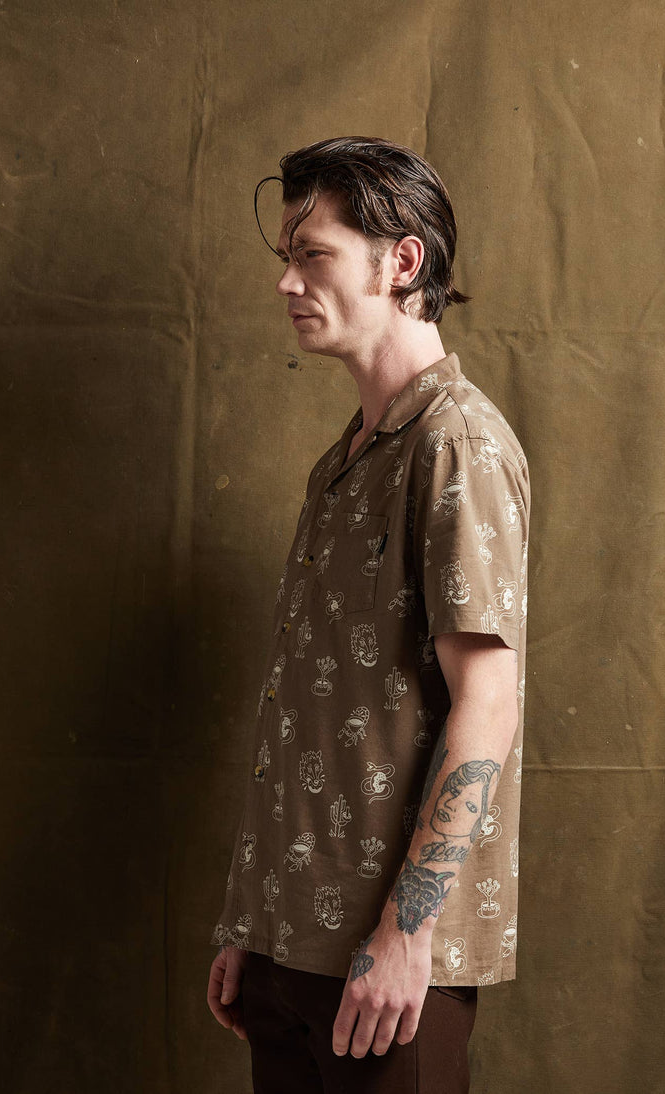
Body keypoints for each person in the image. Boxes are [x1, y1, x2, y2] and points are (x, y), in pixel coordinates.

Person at [206, 136, 530, 1094]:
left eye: (312, 255)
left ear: (402, 262)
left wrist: (404, 931)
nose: (287, 283)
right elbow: (311, 706)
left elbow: (489, 702)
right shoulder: (343, 462)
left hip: (386, 970)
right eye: (286, 258)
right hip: (289, 944)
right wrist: (250, 921)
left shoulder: (455, 442)